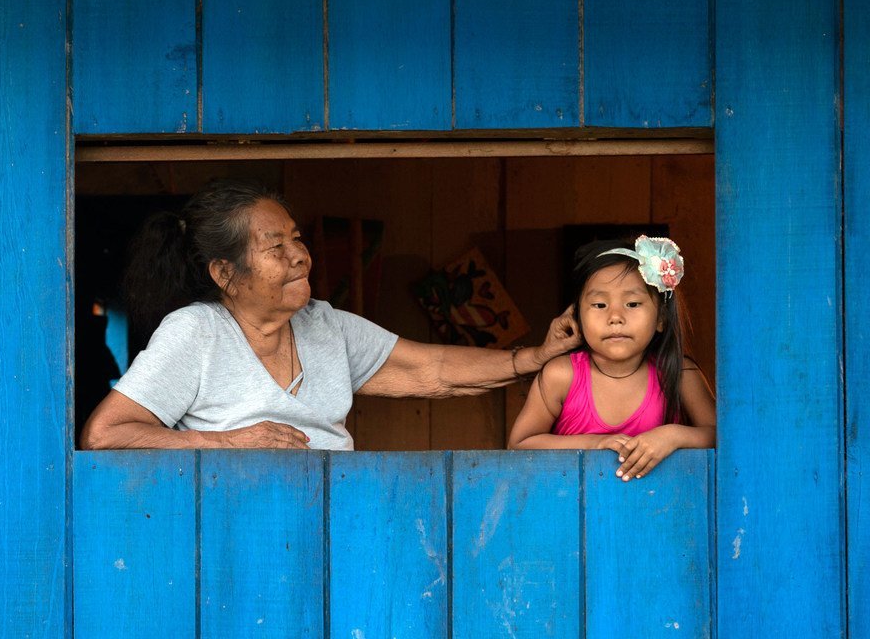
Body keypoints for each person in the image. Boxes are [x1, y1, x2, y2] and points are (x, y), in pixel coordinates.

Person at [80, 180, 581, 451]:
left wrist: (534, 357)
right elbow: (105, 434)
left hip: (332, 525)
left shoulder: (325, 325)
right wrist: (226, 444)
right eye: (275, 246)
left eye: (296, 238)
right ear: (225, 273)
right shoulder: (196, 332)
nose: (299, 255)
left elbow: (432, 369)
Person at [507, 236, 716, 480]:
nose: (615, 317)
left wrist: (673, 436)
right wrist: (594, 444)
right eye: (599, 305)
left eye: (632, 303)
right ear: (577, 318)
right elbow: (520, 444)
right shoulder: (561, 375)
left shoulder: (680, 374)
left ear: (661, 318)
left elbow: (722, 435)